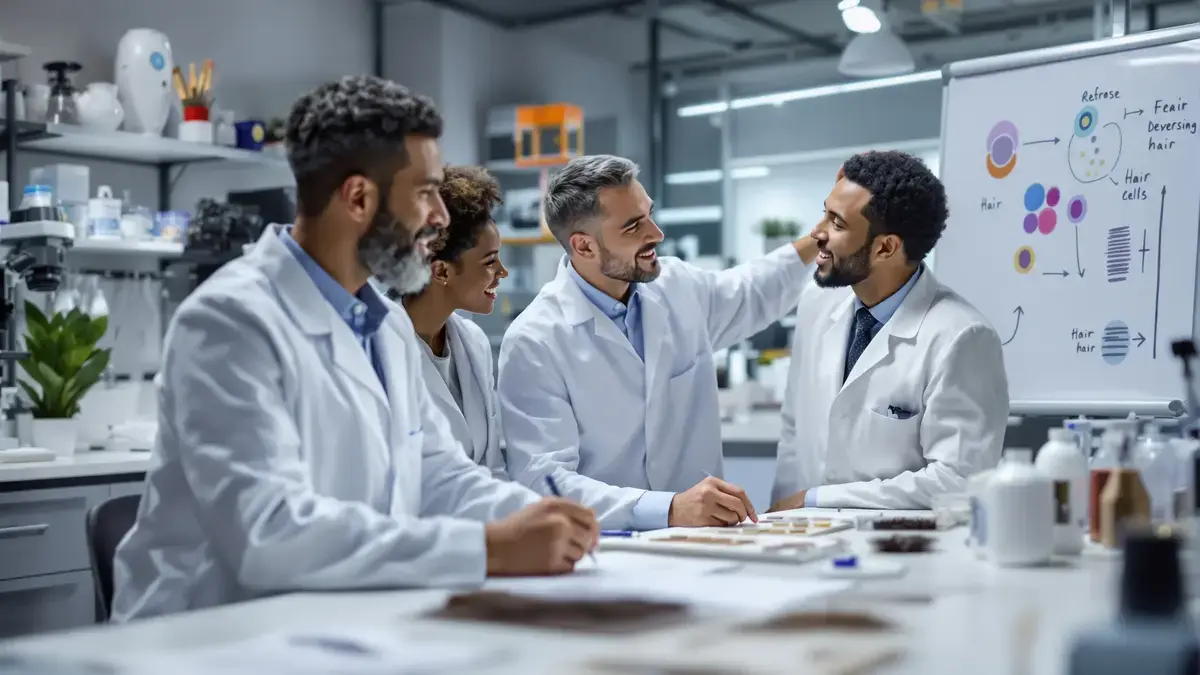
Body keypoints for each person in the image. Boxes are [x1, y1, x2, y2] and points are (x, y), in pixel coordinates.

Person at [111, 76, 598, 622]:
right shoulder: (230, 321)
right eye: (424, 192)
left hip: (334, 623)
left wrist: (544, 519)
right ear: (359, 197)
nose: (439, 216)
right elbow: (268, 533)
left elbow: (439, 475)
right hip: (204, 639)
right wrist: (487, 549)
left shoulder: (385, 324)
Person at [497, 154, 818, 531]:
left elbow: (753, 290)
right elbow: (545, 480)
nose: (656, 234)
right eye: (634, 226)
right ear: (584, 247)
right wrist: (667, 509)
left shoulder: (678, 287)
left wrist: (819, 238)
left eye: (649, 213)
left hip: (706, 541)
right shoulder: (535, 340)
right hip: (609, 551)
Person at [770, 150, 1008, 512]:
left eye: (836, 223)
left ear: (885, 247)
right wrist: (778, 527)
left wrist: (816, 501)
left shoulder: (961, 336)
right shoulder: (816, 307)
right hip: (803, 547)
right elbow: (793, 434)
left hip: (900, 554)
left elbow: (960, 480)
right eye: (825, 213)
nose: (816, 233)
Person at [395, 165, 510, 479]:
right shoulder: (380, 349)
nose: (503, 272)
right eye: (490, 261)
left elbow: (492, 468)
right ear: (442, 272)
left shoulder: (473, 342)